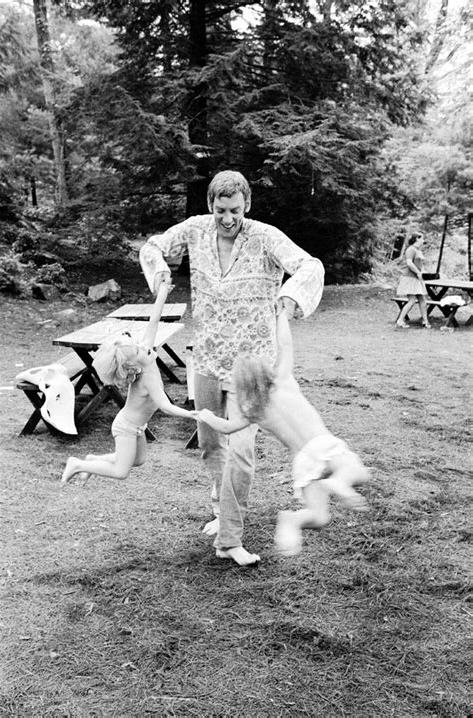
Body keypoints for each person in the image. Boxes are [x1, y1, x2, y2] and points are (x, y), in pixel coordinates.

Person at [140, 169, 324, 565]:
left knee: (240, 449)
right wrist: (159, 272)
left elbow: (310, 266)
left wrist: (289, 298)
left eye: (235, 210)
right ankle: (220, 508)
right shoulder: (195, 230)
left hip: (250, 367)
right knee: (210, 444)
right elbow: (153, 247)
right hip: (205, 358)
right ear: (210, 206)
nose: (228, 218)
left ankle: (230, 539)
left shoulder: (265, 236)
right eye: (221, 210)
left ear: (247, 206)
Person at [196, 309, 369, 557]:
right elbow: (285, 344)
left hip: (303, 463)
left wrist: (207, 416)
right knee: (358, 471)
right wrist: (283, 315)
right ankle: (340, 481)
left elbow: (225, 427)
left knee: (318, 516)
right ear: (266, 368)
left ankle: (292, 520)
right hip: (322, 445)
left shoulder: (252, 410)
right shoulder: (284, 379)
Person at [61, 284, 197, 484]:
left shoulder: (145, 359)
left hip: (137, 425)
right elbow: (165, 406)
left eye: (140, 346)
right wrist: (192, 414)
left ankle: (93, 460)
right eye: (139, 350)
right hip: (126, 427)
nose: (145, 347)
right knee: (120, 471)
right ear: (133, 366)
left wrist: (162, 293)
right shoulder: (147, 377)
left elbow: (153, 323)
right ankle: (78, 464)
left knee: (139, 460)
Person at [396, 233, 431, 329]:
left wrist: (422, 271)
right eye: (422, 238)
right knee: (412, 300)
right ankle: (400, 320)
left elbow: (419, 263)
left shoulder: (418, 250)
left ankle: (425, 321)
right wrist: (418, 272)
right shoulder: (410, 249)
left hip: (417, 278)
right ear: (417, 239)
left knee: (422, 299)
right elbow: (409, 263)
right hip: (409, 277)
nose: (423, 240)